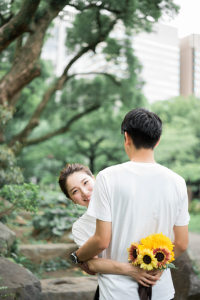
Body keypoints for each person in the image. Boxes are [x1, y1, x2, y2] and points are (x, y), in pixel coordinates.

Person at [73, 107, 190, 300]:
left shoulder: (108, 177)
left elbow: (102, 240)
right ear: (157, 141)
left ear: (126, 137)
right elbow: (182, 243)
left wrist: (78, 255)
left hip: (117, 292)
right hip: (160, 289)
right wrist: (158, 264)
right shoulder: (177, 181)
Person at [58, 163, 162, 300]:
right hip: (111, 289)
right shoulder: (80, 227)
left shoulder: (125, 204)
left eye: (85, 182)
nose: (84, 192)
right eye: (74, 191)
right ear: (71, 199)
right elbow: (92, 264)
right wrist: (131, 270)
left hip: (151, 282)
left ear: (95, 180)